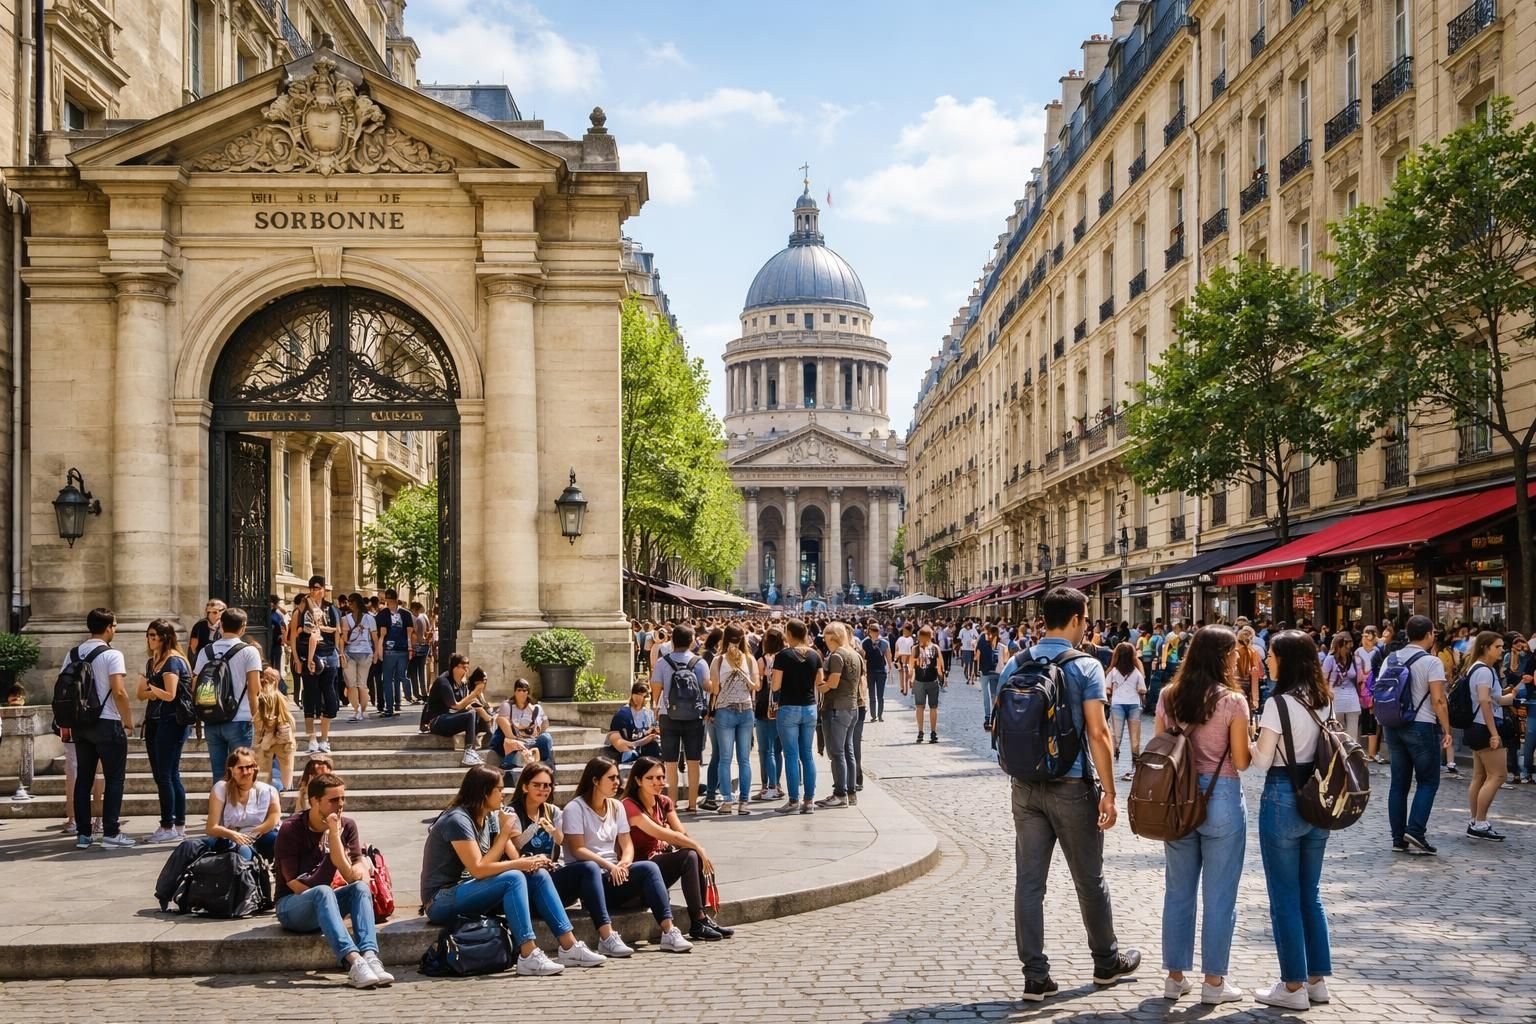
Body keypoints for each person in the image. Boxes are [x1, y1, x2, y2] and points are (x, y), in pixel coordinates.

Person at [999, 586, 1140, 1002]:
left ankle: (1035, 976)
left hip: (1024, 787)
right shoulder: (1086, 666)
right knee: (1089, 879)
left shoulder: (1015, 662)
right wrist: (1110, 792)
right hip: (1072, 786)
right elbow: (1098, 733)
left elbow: (1001, 726)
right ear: (1077, 619)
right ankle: (1105, 962)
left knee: (1029, 883)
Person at [421, 764, 607, 974]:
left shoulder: (490, 816)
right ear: (484, 792)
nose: (503, 795)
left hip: (472, 890)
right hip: (441, 899)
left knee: (537, 874)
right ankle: (528, 954)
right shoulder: (457, 820)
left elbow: (499, 858)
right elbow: (479, 870)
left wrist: (528, 860)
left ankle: (569, 946)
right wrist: (509, 842)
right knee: (513, 877)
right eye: (499, 790)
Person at [1154, 626, 1250, 1006]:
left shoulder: (1168, 696)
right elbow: (1241, 760)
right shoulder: (1232, 702)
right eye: (1233, 653)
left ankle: (1174, 978)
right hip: (1221, 796)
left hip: (1177, 797)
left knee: (1178, 890)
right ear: (1223, 656)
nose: (1238, 658)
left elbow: (1161, 749)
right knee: (1220, 894)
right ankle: (1214, 982)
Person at [1250, 630, 1335, 1010]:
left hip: (1284, 793)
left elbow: (1263, 760)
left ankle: (1292, 985)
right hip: (1318, 798)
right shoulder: (1323, 700)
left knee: (1284, 894)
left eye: (1270, 654)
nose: (1266, 660)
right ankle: (1317, 980)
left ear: (1285, 660)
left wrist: (1251, 741)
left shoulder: (1278, 704)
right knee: (1309, 893)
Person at [561, 757, 693, 952]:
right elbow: (577, 849)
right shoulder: (575, 808)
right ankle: (607, 939)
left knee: (649, 867)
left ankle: (669, 931)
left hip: (615, 873)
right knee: (591, 869)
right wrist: (610, 866)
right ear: (595, 781)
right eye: (611, 778)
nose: (617, 782)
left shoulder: (616, 806)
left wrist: (624, 863)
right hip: (591, 877)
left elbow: (626, 843)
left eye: (618, 777)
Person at [506, 761, 637, 958]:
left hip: (549, 877)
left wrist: (553, 831)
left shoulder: (553, 811)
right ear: (525, 786)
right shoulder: (511, 814)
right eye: (537, 785)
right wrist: (535, 828)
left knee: (588, 868)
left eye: (547, 785)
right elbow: (515, 850)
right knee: (586, 868)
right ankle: (574, 945)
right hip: (526, 881)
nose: (543, 790)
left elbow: (562, 842)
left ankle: (607, 937)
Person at [274, 773, 392, 988]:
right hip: (292, 906)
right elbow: (296, 885)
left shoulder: (347, 826)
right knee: (322, 891)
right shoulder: (291, 829)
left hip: (324, 903)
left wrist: (335, 838)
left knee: (359, 889)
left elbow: (357, 876)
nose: (340, 805)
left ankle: (370, 956)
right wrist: (333, 849)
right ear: (314, 801)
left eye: (342, 799)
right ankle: (354, 962)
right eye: (333, 800)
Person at [623, 755, 734, 941]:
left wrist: (695, 848)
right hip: (638, 870)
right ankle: (698, 921)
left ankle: (702, 919)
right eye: (650, 778)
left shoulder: (664, 802)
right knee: (690, 855)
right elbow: (662, 833)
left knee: (691, 855)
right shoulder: (629, 805)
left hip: (657, 864)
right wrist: (699, 847)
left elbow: (681, 834)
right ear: (638, 780)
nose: (657, 782)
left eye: (660, 777)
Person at [1382, 615, 1454, 854]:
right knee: (1428, 781)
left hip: (1393, 725)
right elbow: (1438, 699)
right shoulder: (1431, 662)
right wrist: (1447, 728)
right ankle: (1415, 829)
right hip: (1422, 726)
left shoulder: (1391, 658)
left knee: (1398, 784)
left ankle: (1397, 837)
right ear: (1429, 635)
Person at [70, 609, 135, 850]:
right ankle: (111, 832)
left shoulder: (73, 653)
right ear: (108, 628)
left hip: (81, 724)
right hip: (107, 721)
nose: (115, 630)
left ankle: (83, 834)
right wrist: (128, 720)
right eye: (115, 626)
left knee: (83, 779)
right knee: (114, 778)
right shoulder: (112, 655)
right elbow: (119, 691)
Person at [137, 618, 192, 844]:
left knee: (165, 776)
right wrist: (152, 690)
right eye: (148, 635)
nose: (150, 640)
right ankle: (177, 822)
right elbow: (140, 693)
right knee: (168, 774)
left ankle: (168, 824)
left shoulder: (173, 662)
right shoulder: (152, 663)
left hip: (172, 721)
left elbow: (170, 695)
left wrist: (152, 689)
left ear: (165, 638)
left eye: (153, 636)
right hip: (155, 721)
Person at [193, 606, 265, 776]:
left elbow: (195, 684)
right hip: (240, 719)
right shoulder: (249, 651)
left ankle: (221, 803)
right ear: (243, 627)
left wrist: (199, 716)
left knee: (218, 773)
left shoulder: (206, 651)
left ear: (221, 625)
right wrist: (257, 721)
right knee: (243, 773)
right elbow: (254, 690)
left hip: (212, 718)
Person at [650, 624, 708, 814]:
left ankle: (672, 804)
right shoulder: (699, 662)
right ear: (692, 641)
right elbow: (707, 686)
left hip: (669, 714)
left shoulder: (663, 662)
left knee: (671, 763)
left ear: (672, 640)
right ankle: (692, 804)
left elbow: (656, 686)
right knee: (693, 761)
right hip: (694, 716)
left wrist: (656, 706)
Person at [1463, 631, 1516, 840]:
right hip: (1484, 727)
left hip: (1477, 727)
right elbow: (1485, 701)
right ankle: (1480, 822)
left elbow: (1493, 699)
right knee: (1498, 775)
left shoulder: (1476, 668)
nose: (1501, 650)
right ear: (1486, 647)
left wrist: (1509, 696)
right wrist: (1494, 733)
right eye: (1498, 646)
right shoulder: (1484, 670)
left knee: (1480, 776)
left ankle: (1476, 820)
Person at [771, 618, 822, 815]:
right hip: (809, 708)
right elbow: (820, 681)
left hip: (789, 708)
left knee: (791, 755)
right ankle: (809, 801)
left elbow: (775, 685)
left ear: (789, 634)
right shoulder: (814, 655)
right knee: (807, 755)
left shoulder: (783, 655)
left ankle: (793, 800)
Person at [708, 624, 757, 815]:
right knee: (744, 759)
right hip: (745, 710)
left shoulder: (718, 661)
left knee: (725, 759)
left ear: (725, 638)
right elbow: (757, 686)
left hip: (725, 711)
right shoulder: (750, 659)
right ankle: (744, 802)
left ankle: (727, 801)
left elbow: (715, 689)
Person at [203, 746, 281, 861]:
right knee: (243, 851)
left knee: (279, 840)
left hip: (259, 836)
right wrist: (233, 835)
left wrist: (255, 832)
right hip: (230, 839)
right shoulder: (221, 788)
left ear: (255, 768)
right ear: (231, 770)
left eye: (249, 767)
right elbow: (211, 828)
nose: (245, 772)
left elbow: (274, 817)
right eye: (240, 768)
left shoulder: (268, 790)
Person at [817, 622, 863, 809]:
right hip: (852, 707)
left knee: (836, 753)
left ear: (832, 636)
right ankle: (851, 792)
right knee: (848, 751)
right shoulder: (855, 654)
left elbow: (833, 683)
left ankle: (840, 794)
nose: (824, 641)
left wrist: (821, 685)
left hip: (837, 707)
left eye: (826, 637)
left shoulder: (836, 656)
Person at [294, 577, 341, 750]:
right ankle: (312, 737)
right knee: (310, 696)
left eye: (317, 588)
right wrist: (298, 659)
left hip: (329, 654)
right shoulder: (303, 608)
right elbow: (297, 633)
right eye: (312, 588)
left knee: (329, 697)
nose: (314, 591)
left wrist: (339, 652)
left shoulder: (331, 608)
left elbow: (337, 631)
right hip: (309, 655)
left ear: (324, 589)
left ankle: (324, 738)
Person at [423, 655, 491, 767]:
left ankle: (485, 745)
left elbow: (464, 705)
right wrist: (474, 693)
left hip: (451, 718)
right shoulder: (443, 681)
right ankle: (469, 753)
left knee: (478, 713)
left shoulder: (462, 683)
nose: (466, 670)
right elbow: (456, 706)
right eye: (463, 667)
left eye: (467, 666)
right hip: (437, 721)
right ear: (455, 668)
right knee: (471, 714)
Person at [1106, 642, 1147, 781]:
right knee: (1135, 739)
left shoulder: (1113, 671)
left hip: (1117, 704)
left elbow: (1107, 688)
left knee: (1115, 737)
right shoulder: (1136, 672)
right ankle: (1134, 767)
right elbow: (1143, 689)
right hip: (1134, 705)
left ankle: (1110, 766)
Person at [753, 626, 784, 802]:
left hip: (764, 705)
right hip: (780, 705)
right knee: (777, 749)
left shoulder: (762, 661)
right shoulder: (785, 658)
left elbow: (758, 686)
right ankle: (777, 783)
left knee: (765, 749)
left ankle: (768, 786)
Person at [494, 679, 555, 769]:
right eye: (519, 690)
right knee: (509, 761)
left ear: (528, 692)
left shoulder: (535, 708)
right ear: (515, 691)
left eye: (524, 690)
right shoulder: (507, 706)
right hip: (514, 742)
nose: (522, 693)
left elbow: (544, 725)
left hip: (532, 740)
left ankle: (550, 771)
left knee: (546, 738)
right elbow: (508, 733)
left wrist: (539, 724)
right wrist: (519, 739)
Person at [372, 588, 414, 719]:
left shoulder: (382, 615)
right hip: (403, 650)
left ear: (386, 600)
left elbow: (380, 635)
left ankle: (389, 708)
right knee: (401, 675)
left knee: (387, 680)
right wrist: (410, 648)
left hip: (389, 650)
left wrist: (378, 652)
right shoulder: (406, 614)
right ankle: (407, 689)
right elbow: (410, 633)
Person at [255, 667, 297, 792]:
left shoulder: (261, 696)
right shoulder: (280, 697)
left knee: (264, 770)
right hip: (282, 736)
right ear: (276, 681)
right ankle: (287, 787)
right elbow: (286, 717)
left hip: (265, 738)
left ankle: (265, 792)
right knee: (287, 765)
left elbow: (258, 719)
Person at [605, 682, 661, 763]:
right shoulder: (622, 714)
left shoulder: (649, 714)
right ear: (632, 695)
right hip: (628, 752)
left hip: (647, 751)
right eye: (638, 694)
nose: (641, 699)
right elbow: (615, 739)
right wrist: (637, 744)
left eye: (644, 696)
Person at [340, 593, 375, 722]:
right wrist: (376, 652)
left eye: (350, 602)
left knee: (353, 684)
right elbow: (374, 637)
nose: (349, 604)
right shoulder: (369, 618)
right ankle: (361, 711)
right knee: (360, 684)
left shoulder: (346, 619)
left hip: (352, 652)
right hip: (364, 652)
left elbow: (343, 639)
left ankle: (358, 711)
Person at [1323, 633, 1362, 742]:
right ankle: (1339, 753)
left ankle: (1353, 753)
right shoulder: (1330, 659)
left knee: (1353, 729)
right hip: (1335, 694)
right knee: (1337, 729)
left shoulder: (1352, 659)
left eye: (1350, 644)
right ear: (1339, 646)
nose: (1348, 648)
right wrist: (1327, 692)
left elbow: (1357, 678)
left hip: (1351, 694)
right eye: (1346, 645)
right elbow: (1323, 679)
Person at [911, 625, 944, 744]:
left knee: (920, 707)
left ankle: (920, 732)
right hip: (932, 680)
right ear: (930, 636)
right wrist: (942, 678)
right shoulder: (935, 648)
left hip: (919, 681)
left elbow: (911, 666)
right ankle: (933, 732)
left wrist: (911, 679)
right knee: (933, 708)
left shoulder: (915, 649)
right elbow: (940, 665)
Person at [862, 621, 891, 723]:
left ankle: (880, 715)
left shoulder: (884, 642)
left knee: (880, 695)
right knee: (871, 695)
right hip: (870, 671)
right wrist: (864, 671)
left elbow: (888, 655)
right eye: (873, 630)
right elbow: (863, 657)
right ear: (869, 631)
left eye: (877, 630)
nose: (875, 632)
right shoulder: (865, 643)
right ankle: (873, 715)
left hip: (881, 671)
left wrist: (890, 667)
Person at [979, 623, 1004, 731]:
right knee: (994, 696)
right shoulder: (1002, 645)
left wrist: (977, 670)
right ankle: (994, 718)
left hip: (985, 672)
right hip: (996, 673)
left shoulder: (982, 641)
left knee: (986, 695)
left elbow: (977, 656)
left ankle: (988, 717)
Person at [409, 601, 432, 704]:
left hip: (415, 646)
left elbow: (412, 634)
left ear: (413, 609)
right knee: (422, 670)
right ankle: (424, 693)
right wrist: (427, 641)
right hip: (424, 645)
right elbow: (429, 631)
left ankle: (416, 694)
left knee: (413, 671)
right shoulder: (424, 617)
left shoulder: (412, 618)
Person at [895, 624, 915, 697]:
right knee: (902, 673)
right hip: (901, 658)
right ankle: (903, 687)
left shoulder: (911, 639)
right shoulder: (900, 639)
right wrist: (896, 659)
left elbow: (913, 650)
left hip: (909, 659)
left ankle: (907, 686)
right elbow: (896, 649)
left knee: (907, 673)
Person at [959, 619, 980, 684]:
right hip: (964, 649)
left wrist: (974, 641)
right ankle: (966, 674)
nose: (969, 627)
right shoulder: (962, 630)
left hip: (971, 649)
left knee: (971, 663)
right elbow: (959, 638)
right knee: (966, 663)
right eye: (968, 626)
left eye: (970, 626)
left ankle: (970, 676)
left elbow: (978, 637)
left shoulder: (973, 630)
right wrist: (961, 643)